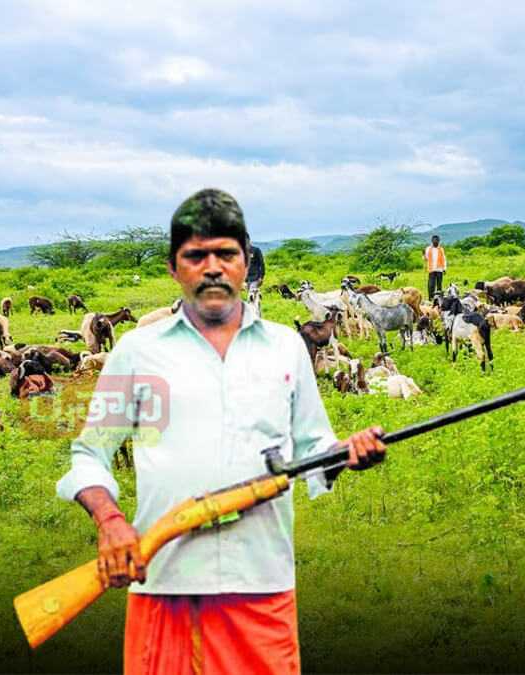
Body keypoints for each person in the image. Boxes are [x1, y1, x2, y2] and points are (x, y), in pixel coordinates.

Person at [56, 188, 386, 675]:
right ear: (173, 267)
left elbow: (316, 449)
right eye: (195, 255)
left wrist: (347, 452)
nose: (212, 267)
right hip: (164, 588)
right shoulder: (137, 351)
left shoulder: (285, 347)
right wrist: (110, 521)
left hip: (261, 586)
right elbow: (89, 454)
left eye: (226, 254)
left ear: (246, 263)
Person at [424, 234, 446, 301]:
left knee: (439, 284)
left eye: (437, 240)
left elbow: (444, 259)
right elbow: (426, 258)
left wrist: (444, 268)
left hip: (439, 269)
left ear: (439, 241)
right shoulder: (428, 249)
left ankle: (439, 298)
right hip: (431, 269)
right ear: (432, 241)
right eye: (434, 240)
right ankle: (431, 298)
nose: (435, 242)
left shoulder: (441, 249)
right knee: (431, 284)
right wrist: (423, 255)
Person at [246, 243, 265, 313]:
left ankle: (251, 315)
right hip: (247, 279)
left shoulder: (256, 250)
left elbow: (262, 263)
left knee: (250, 297)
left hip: (255, 278)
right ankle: (258, 315)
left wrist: (261, 277)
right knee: (254, 298)